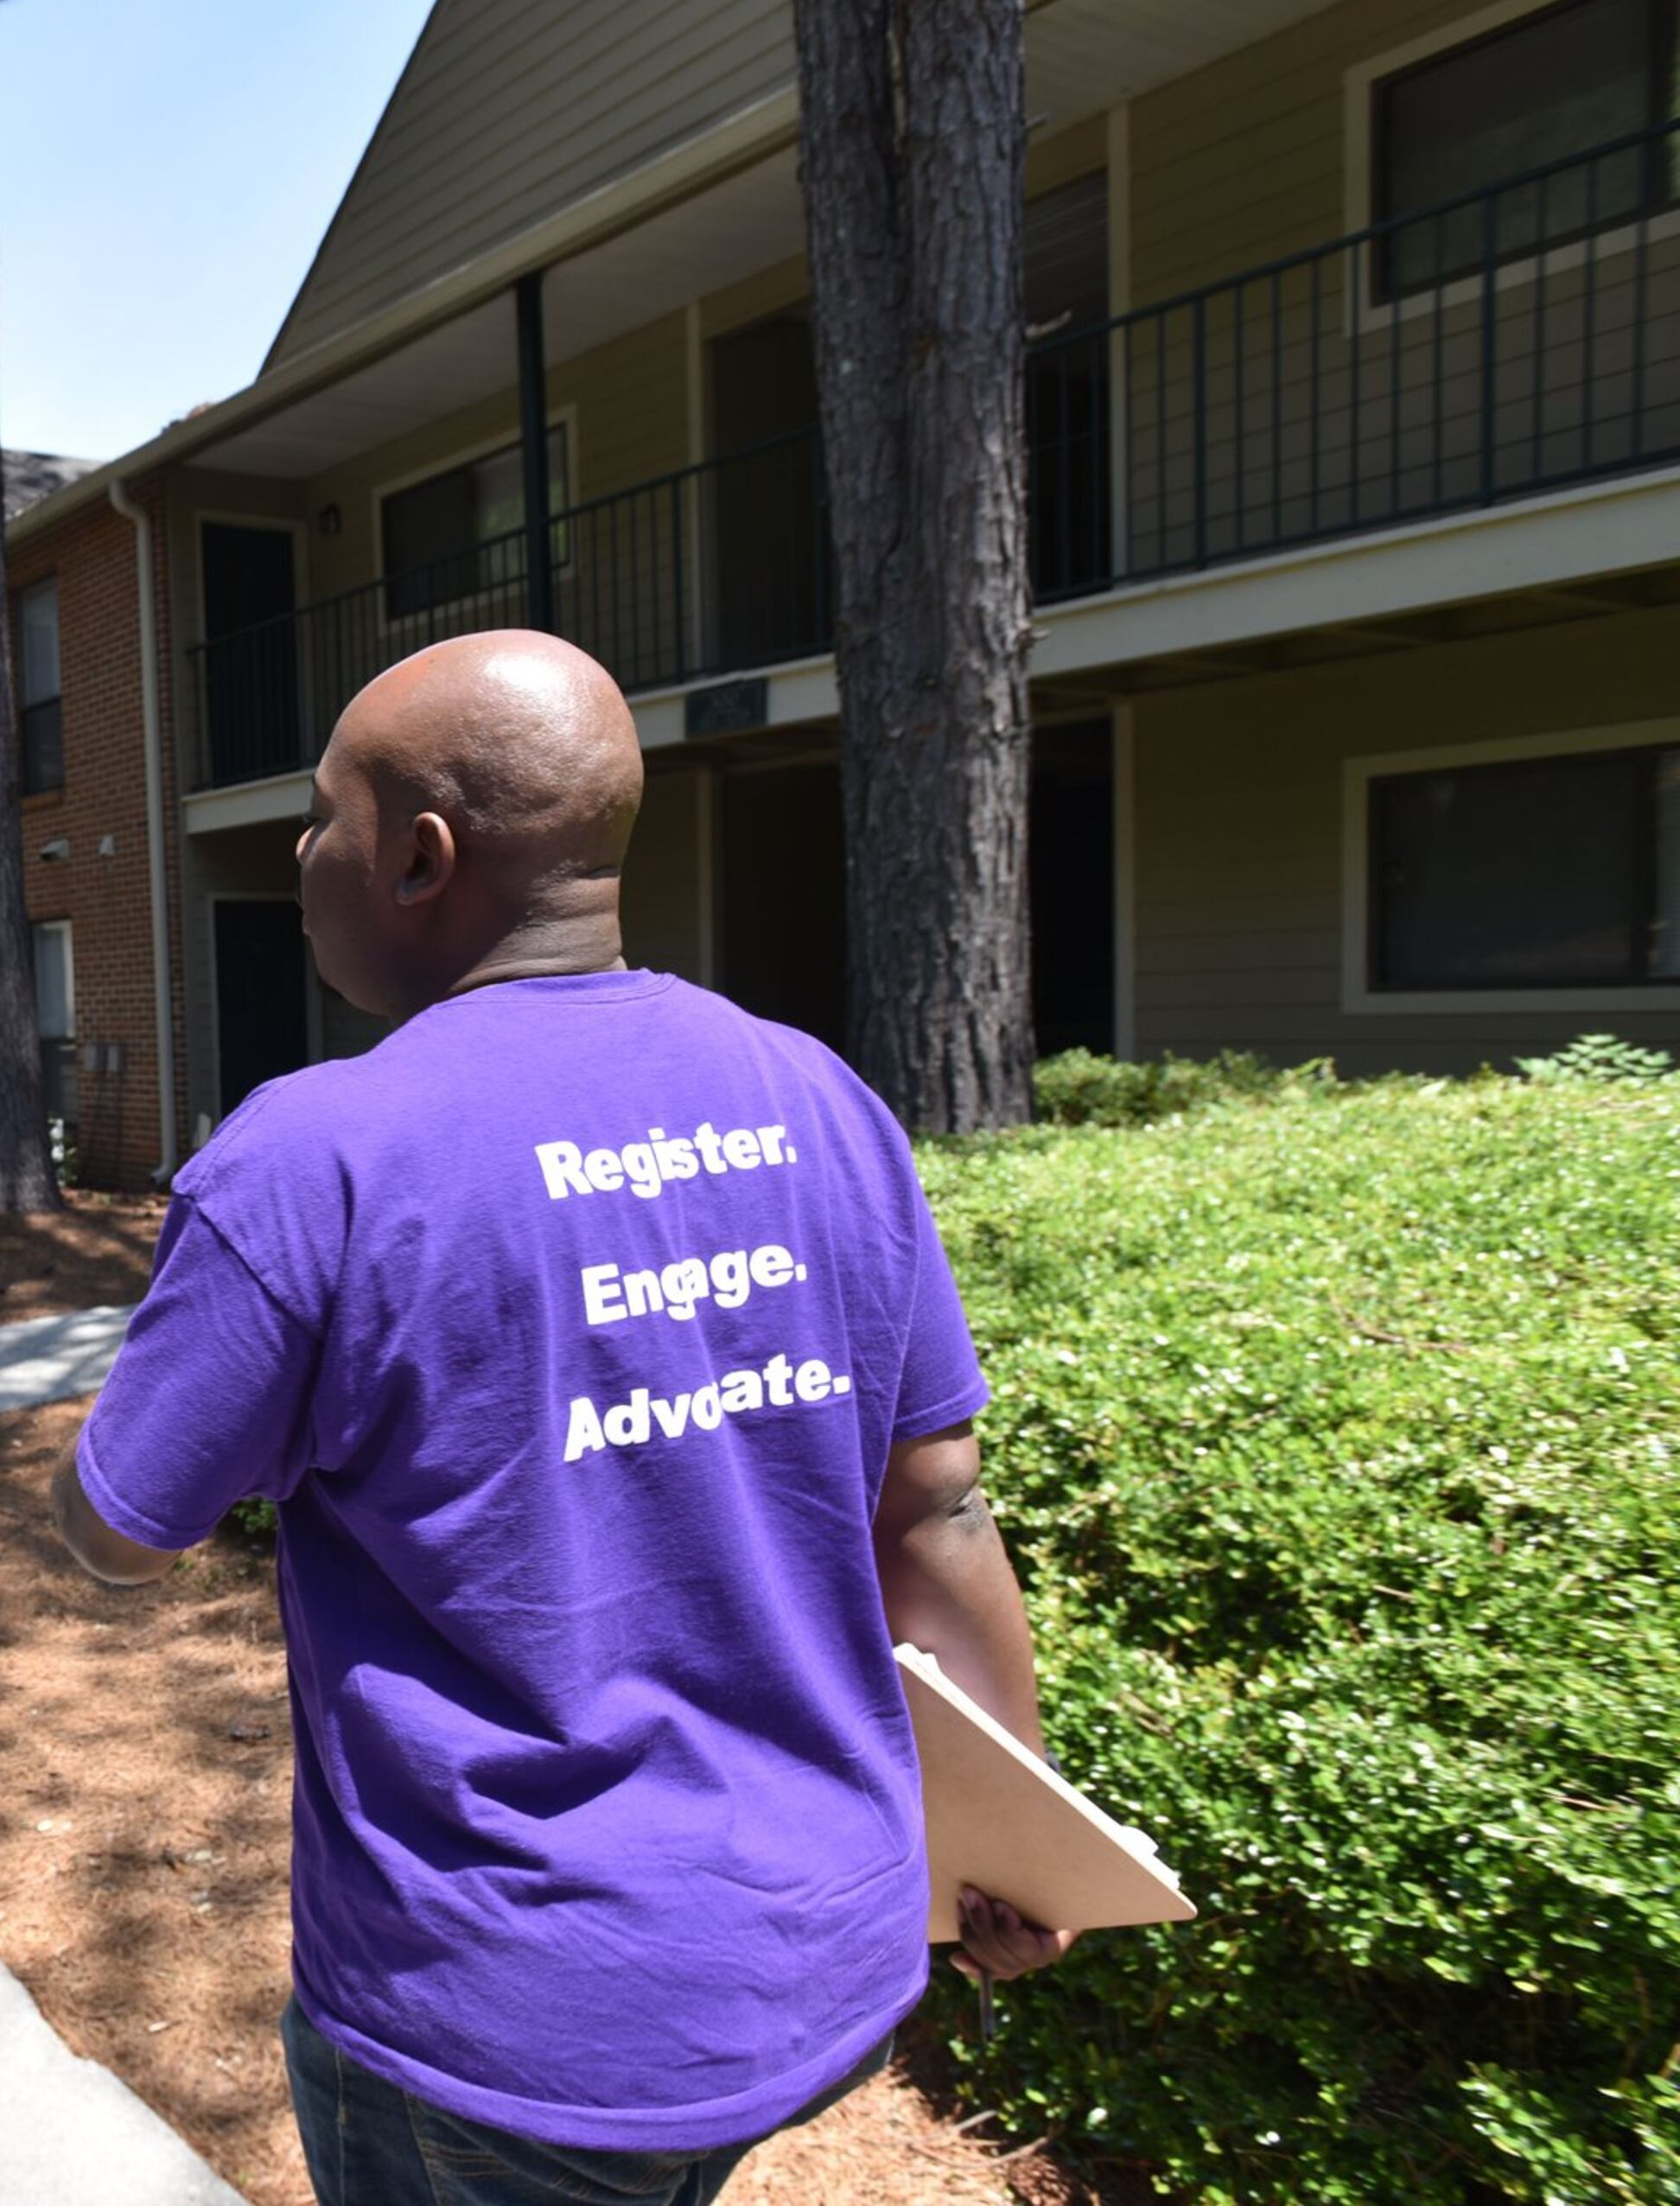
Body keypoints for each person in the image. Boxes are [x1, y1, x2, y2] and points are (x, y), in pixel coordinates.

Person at [53, 630, 1074, 2206]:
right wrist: (1027, 1836)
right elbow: (933, 1511)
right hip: (811, 1954)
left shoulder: (315, 1156)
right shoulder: (820, 1100)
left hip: (510, 2011)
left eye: (322, 814)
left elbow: (123, 1532)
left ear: (418, 857)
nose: (299, 851)